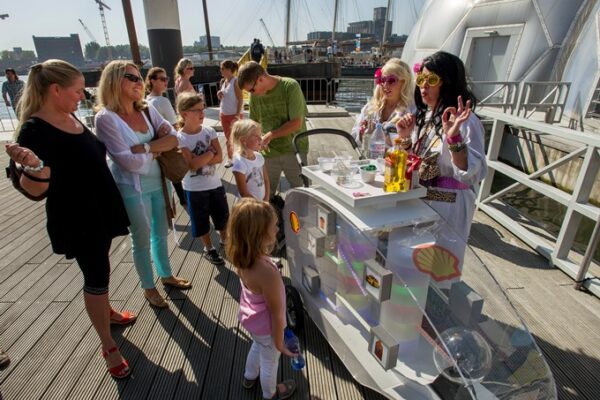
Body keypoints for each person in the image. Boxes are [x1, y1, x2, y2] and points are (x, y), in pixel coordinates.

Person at [5, 59, 134, 379]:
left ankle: (107, 311)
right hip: (78, 217)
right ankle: (107, 344)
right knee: (96, 274)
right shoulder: (33, 130)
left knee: (101, 266)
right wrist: (35, 168)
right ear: (55, 89)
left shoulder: (69, 114)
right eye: (78, 90)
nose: (83, 95)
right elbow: (33, 190)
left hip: (100, 209)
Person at [95, 60, 192, 310]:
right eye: (133, 77)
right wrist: (155, 150)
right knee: (141, 238)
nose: (141, 83)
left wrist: (146, 148)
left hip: (159, 183)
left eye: (140, 78)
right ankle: (148, 287)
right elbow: (129, 163)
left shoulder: (148, 109)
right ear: (115, 81)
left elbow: (174, 138)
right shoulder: (106, 118)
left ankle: (166, 274)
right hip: (132, 189)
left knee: (161, 232)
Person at [396, 51, 487, 283]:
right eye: (421, 80)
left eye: (432, 80)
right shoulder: (426, 115)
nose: (424, 87)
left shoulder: (466, 121)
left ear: (448, 82)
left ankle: (434, 315)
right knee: (417, 264)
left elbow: (470, 172)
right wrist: (405, 137)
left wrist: (454, 138)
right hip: (423, 199)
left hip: (449, 205)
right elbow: (416, 160)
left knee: (440, 269)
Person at [226, 198, 296, 400]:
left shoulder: (241, 255)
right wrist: (279, 342)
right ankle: (270, 393)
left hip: (253, 322)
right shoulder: (267, 272)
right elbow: (276, 314)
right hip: (267, 328)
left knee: (257, 346)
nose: (277, 228)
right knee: (270, 362)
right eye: (274, 226)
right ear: (259, 234)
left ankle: (249, 376)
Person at [237, 61, 308, 195]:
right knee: (265, 195)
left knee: (303, 194)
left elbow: (296, 123)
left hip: (294, 150)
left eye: (252, 90)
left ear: (261, 79)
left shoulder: (290, 86)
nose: (252, 94)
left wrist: (270, 135)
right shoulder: (255, 96)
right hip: (268, 153)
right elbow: (254, 122)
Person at [176, 92, 228, 266]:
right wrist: (209, 153)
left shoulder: (209, 131)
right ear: (184, 113)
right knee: (201, 221)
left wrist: (202, 159)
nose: (202, 113)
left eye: (203, 108)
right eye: (197, 110)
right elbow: (191, 165)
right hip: (194, 188)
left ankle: (225, 242)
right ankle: (209, 249)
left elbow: (220, 157)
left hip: (215, 184)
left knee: (222, 217)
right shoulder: (180, 137)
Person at [144, 66, 187, 209]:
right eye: (162, 79)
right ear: (152, 81)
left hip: (154, 144)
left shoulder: (146, 100)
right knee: (177, 172)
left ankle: (177, 202)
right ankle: (184, 200)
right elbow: (174, 126)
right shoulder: (162, 101)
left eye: (166, 78)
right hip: (168, 144)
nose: (165, 82)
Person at [351, 58, 414, 148]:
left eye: (391, 81)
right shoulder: (370, 108)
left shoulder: (410, 112)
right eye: (383, 80)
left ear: (404, 83)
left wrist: (386, 140)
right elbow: (353, 137)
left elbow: (412, 147)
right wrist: (362, 134)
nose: (385, 85)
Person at [231, 119, 269, 201]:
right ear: (243, 140)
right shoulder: (240, 164)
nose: (260, 139)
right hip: (249, 207)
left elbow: (266, 180)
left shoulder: (259, 157)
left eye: (260, 135)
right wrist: (260, 205)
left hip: (262, 203)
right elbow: (244, 193)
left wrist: (266, 199)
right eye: (256, 136)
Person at [217, 60, 243, 168]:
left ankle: (241, 158)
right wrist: (219, 93)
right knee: (228, 138)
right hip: (224, 114)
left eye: (222, 68)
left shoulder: (235, 81)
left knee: (237, 138)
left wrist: (237, 116)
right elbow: (226, 96)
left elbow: (240, 99)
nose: (221, 70)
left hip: (233, 114)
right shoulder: (224, 81)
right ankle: (230, 158)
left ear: (228, 70)